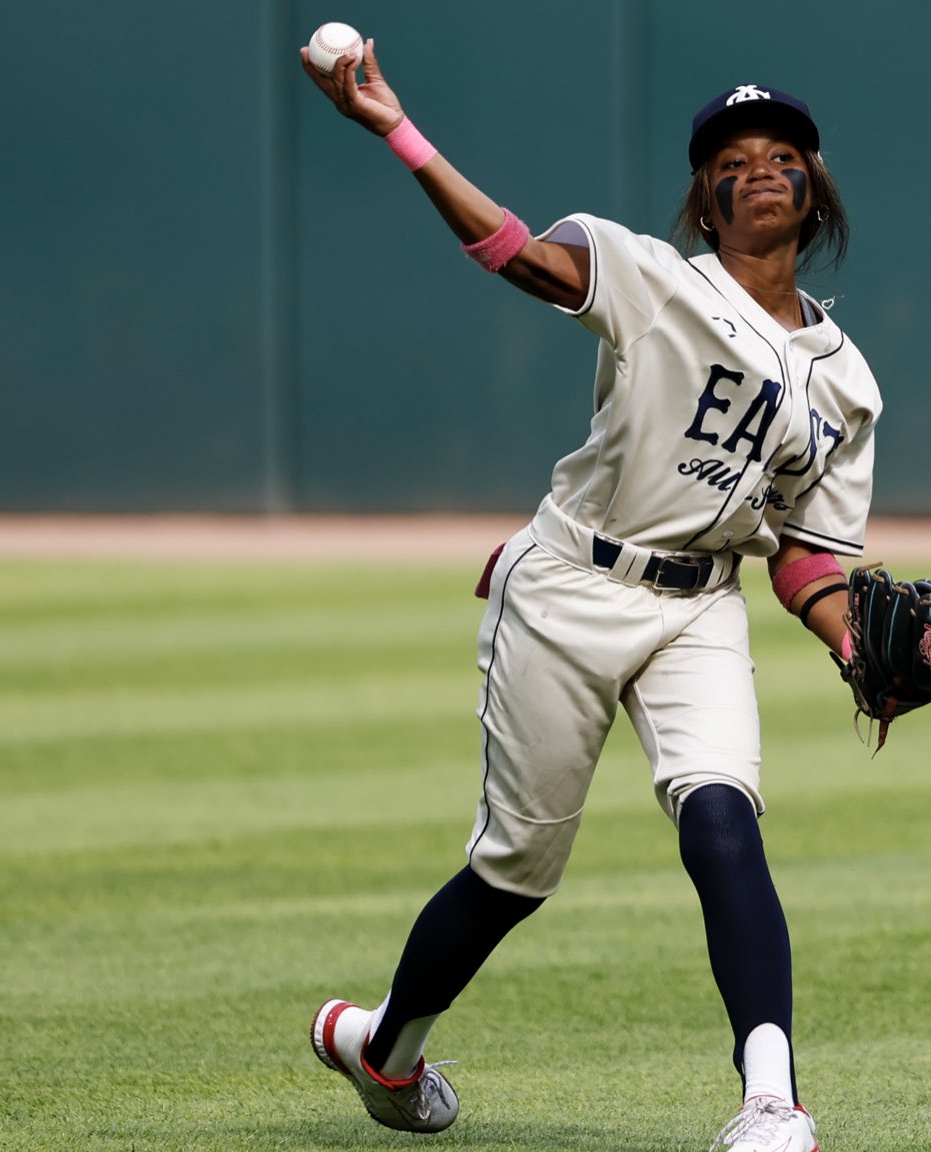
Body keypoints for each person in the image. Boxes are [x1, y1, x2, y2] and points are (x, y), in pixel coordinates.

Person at [299, 37, 879, 1152]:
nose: (758, 166)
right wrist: (395, 129)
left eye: (782, 153)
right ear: (705, 206)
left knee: (723, 819)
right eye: (730, 159)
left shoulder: (846, 382)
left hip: (697, 604)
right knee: (515, 871)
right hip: (568, 586)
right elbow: (514, 252)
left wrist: (853, 645)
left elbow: (804, 552)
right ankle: (385, 1051)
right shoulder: (654, 278)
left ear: (813, 190)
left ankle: (772, 1103)